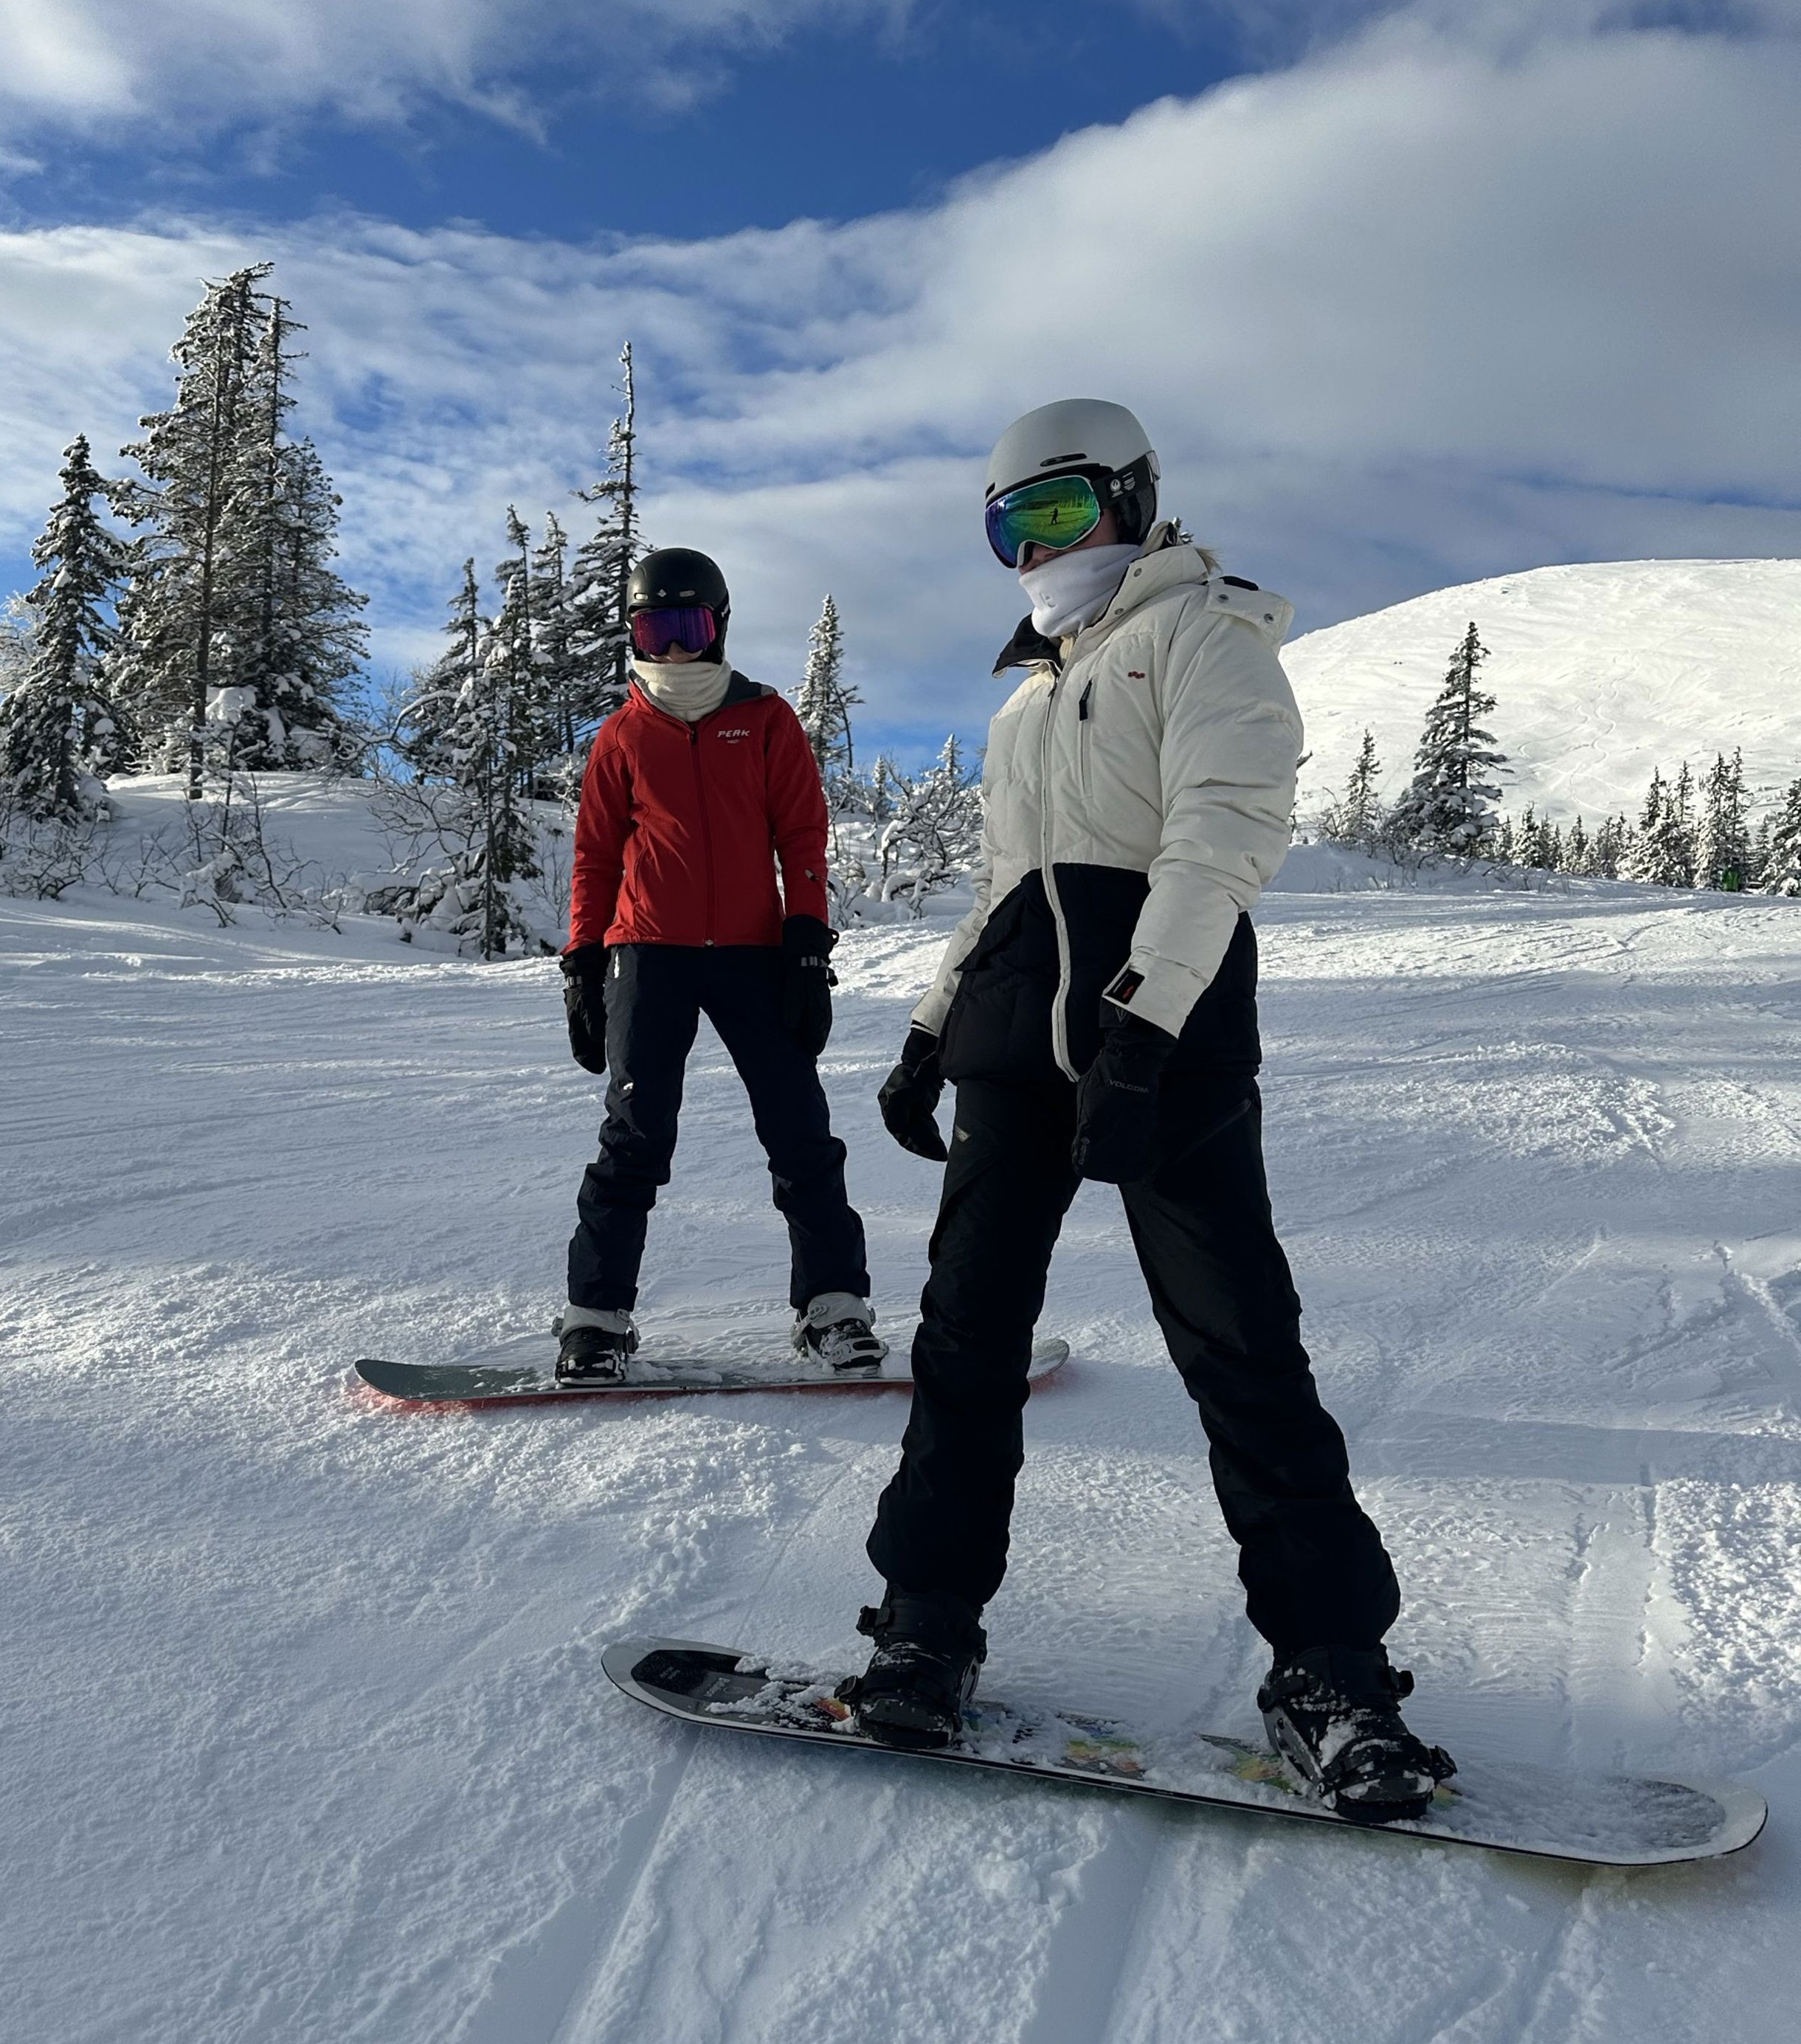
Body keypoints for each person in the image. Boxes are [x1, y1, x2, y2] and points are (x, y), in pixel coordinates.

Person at [854, 400, 1453, 1821]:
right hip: (1011, 1060)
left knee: (1238, 1344)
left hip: (1164, 1055)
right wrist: (929, 1031)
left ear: (1131, 499)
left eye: (1060, 514)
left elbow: (1218, 841)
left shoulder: (1207, 641)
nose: (1036, 550)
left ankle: (1330, 1670)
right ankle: (925, 1619)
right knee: (962, 1345)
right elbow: (1008, 893)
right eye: (1012, 527)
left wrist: (1140, 1027)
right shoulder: (1019, 704)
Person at [556, 546, 883, 1386]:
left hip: (754, 954)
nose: (671, 650)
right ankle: (595, 1320)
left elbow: (801, 834)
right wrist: (583, 963)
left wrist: (808, 942)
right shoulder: (623, 733)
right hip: (648, 955)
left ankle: (834, 1305)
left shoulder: (767, 720)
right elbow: (595, 857)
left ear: (719, 627)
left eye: (688, 627)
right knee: (633, 1141)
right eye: (652, 628)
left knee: (799, 1131)